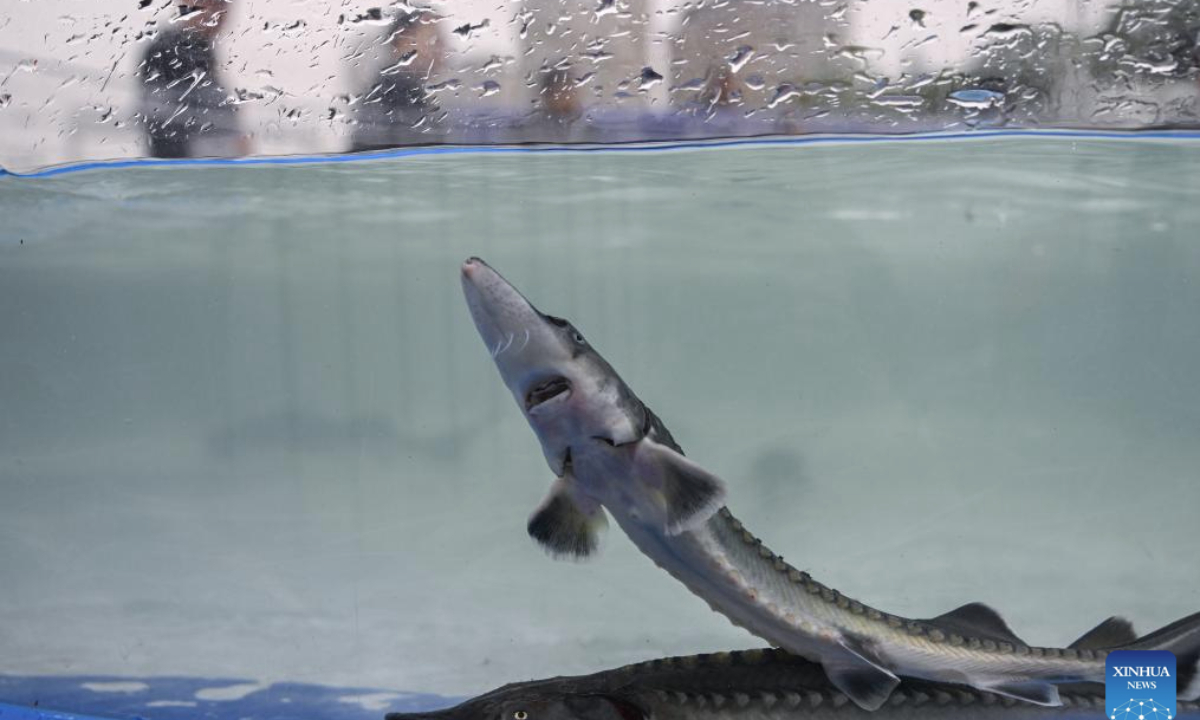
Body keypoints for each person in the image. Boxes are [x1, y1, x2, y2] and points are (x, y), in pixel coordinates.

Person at [137, 0, 247, 158]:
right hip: (185, 162)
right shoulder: (169, 49)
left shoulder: (201, 49)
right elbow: (169, 114)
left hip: (195, 160)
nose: (219, 13)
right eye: (212, 4)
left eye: (223, 5)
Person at [349, 9, 446, 152]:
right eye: (434, 39)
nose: (442, 48)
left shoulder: (388, 87)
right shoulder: (397, 92)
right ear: (404, 39)